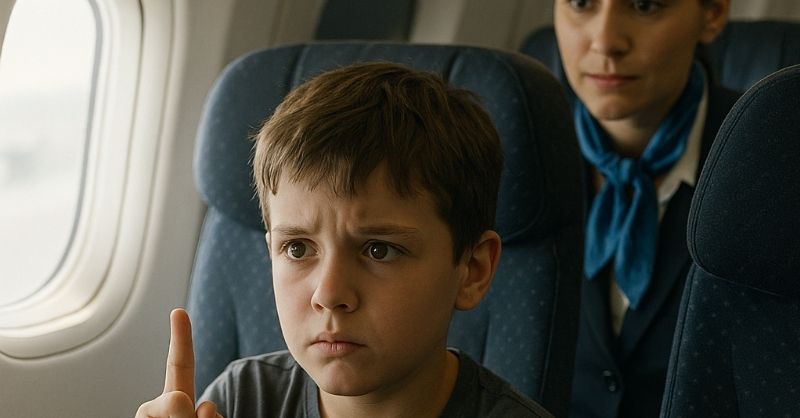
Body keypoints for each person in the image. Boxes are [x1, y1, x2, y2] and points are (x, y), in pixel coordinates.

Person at [135, 62, 553, 418]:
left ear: (472, 270)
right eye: (297, 248)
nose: (329, 294)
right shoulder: (244, 398)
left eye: (379, 250)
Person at [553, 0, 738, 416]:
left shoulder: (772, 159)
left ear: (712, 13)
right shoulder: (516, 152)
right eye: (581, 3)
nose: (605, 41)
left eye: (645, 5)